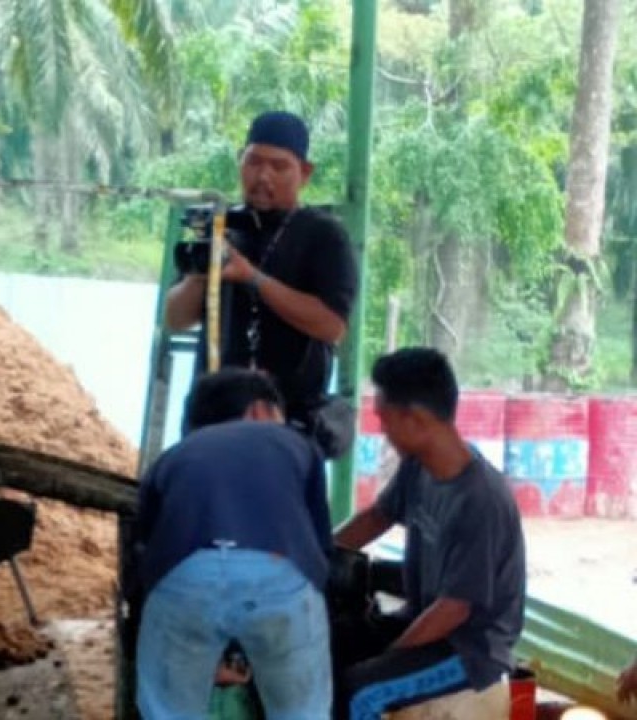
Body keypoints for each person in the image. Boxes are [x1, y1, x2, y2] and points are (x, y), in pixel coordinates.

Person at [126, 367, 334, 719]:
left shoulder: (174, 455)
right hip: (280, 572)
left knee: (167, 712)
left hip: (185, 574)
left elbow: (145, 546)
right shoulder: (294, 444)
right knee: (304, 712)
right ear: (260, 410)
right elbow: (319, 544)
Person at [332, 348, 526, 719]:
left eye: (385, 419)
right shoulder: (418, 467)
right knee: (333, 640)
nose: (382, 430)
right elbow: (377, 516)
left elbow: (453, 610)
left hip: (468, 649)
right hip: (424, 619)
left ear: (416, 419)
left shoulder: (480, 499)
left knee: (360, 692)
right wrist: (320, 553)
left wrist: (389, 657)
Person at [164, 110, 359, 445]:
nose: (263, 176)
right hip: (212, 418)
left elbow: (332, 326)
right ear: (240, 161)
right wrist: (200, 275)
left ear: (305, 173)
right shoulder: (221, 225)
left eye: (279, 166)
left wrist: (253, 278)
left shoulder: (323, 234)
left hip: (286, 421)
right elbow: (176, 319)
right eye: (253, 162)